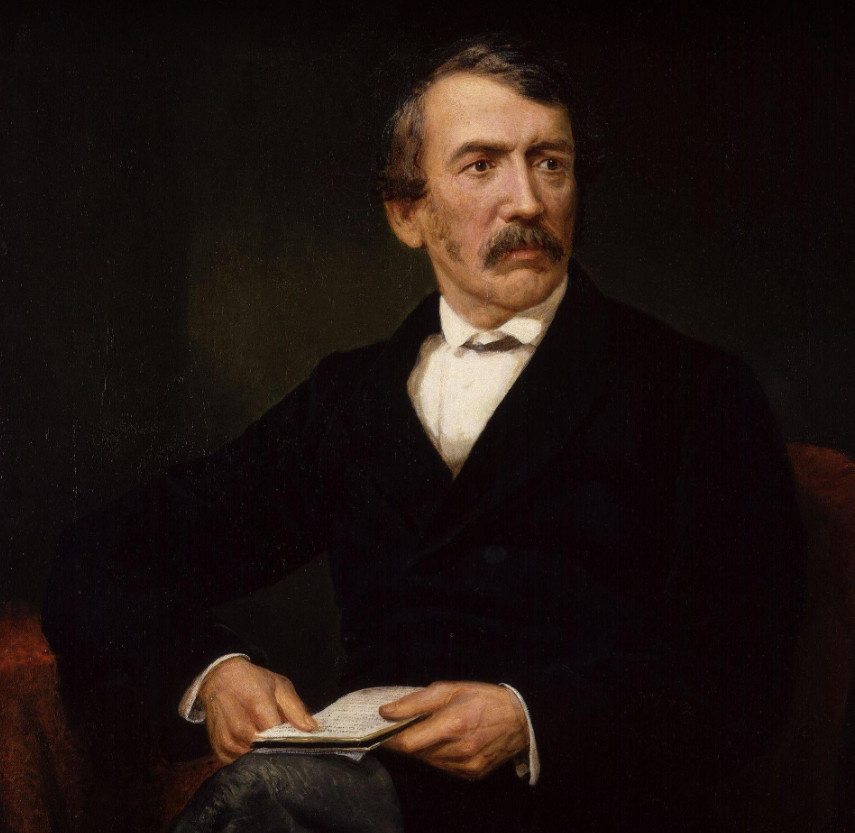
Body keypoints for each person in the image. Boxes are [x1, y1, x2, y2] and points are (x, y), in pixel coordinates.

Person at [43, 36, 806, 832]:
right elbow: (98, 557)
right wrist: (212, 671)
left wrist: (529, 718)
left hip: (588, 804)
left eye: (549, 163)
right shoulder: (351, 401)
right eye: (481, 165)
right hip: (375, 801)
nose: (526, 201)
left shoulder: (692, 389)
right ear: (407, 213)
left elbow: (737, 679)